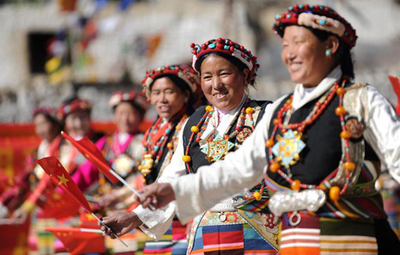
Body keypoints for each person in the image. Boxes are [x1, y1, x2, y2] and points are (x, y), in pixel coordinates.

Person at [132, 4, 400, 255]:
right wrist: (170, 192)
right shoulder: (281, 111)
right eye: (285, 45)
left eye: (299, 42)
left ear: (330, 45)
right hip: (297, 243)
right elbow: (237, 169)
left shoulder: (361, 101)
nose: (289, 53)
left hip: (351, 241)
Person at [102, 40, 279, 254]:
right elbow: (172, 178)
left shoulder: (268, 115)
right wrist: (135, 216)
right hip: (204, 232)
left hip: (256, 233)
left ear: (244, 75)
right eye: (207, 77)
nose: (216, 85)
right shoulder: (195, 123)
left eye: (224, 74)